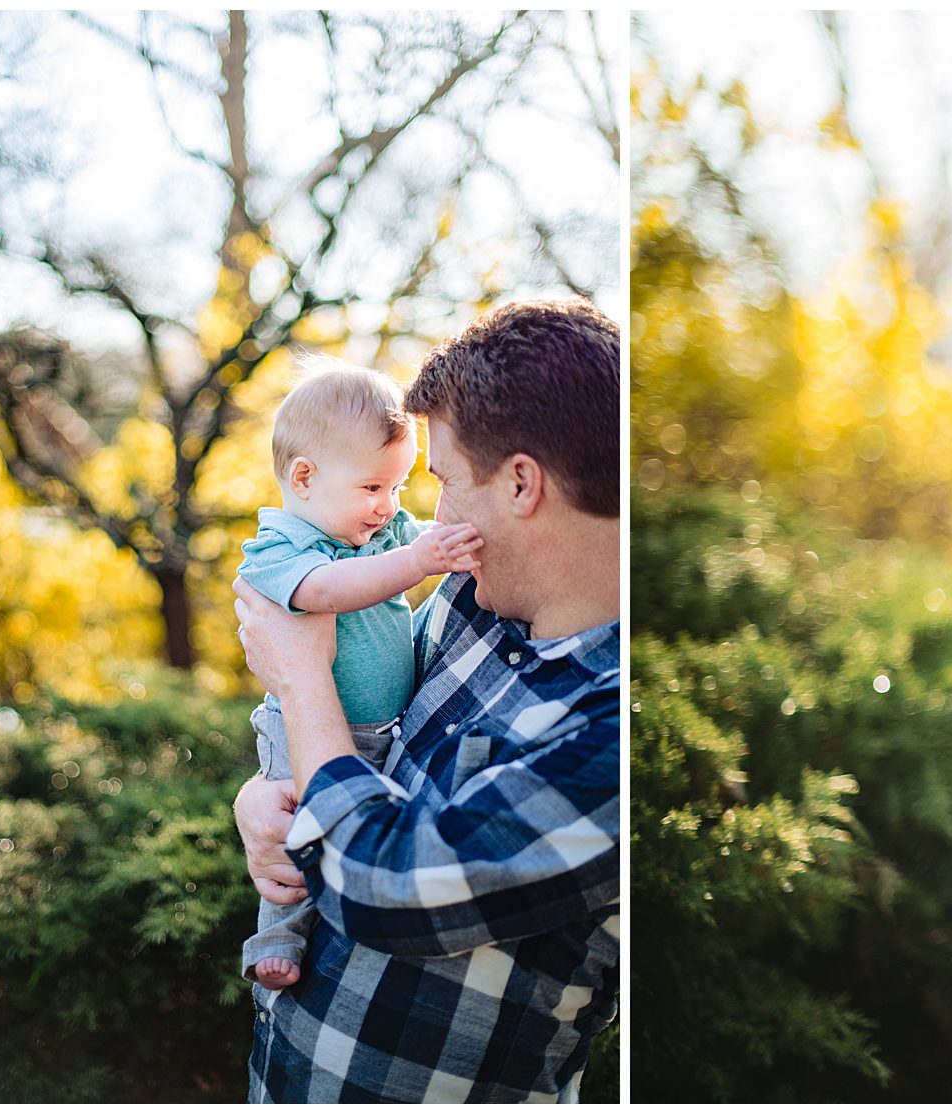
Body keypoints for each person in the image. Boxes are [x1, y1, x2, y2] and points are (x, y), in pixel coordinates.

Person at [230, 298, 623, 1103]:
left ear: (522, 483)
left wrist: (302, 683)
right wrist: (265, 806)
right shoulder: (471, 601)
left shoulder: (612, 733)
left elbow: (387, 884)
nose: (422, 520)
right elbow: (358, 765)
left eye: (440, 482)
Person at [236, 360, 483, 991]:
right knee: (294, 838)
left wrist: (443, 540)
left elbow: (417, 537)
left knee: (357, 830)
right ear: (304, 477)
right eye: (374, 488)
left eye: (398, 488)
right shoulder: (282, 548)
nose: (389, 505)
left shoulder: (382, 531)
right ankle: (278, 937)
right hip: (309, 730)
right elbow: (329, 592)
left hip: (383, 730)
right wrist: (421, 560)